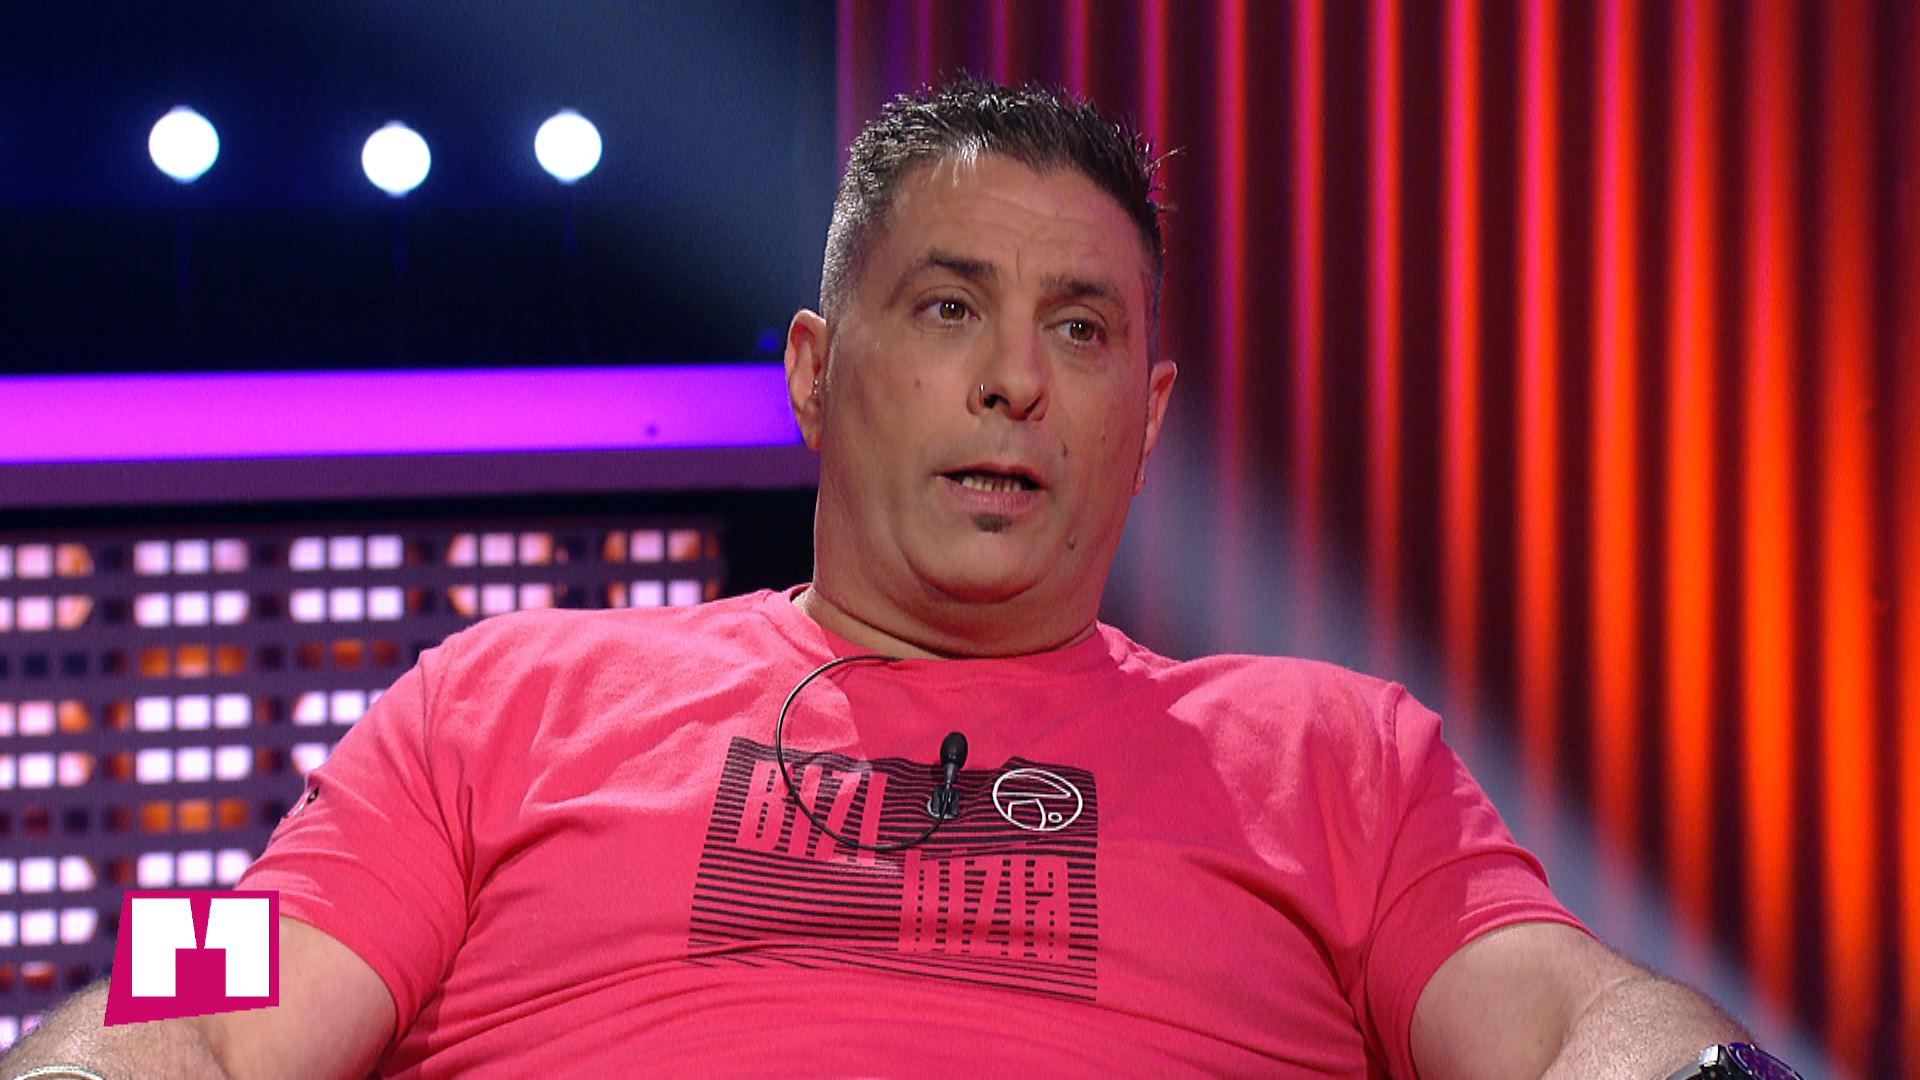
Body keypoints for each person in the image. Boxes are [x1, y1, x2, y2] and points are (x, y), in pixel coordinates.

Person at [7, 79, 1771, 1080]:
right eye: (948, 308)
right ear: (812, 364)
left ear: (1147, 415)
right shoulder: (498, 694)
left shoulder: (1341, 751)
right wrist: (87, 1057)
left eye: (1080, 330)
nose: (1015, 381)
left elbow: (1575, 1006)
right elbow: (213, 985)